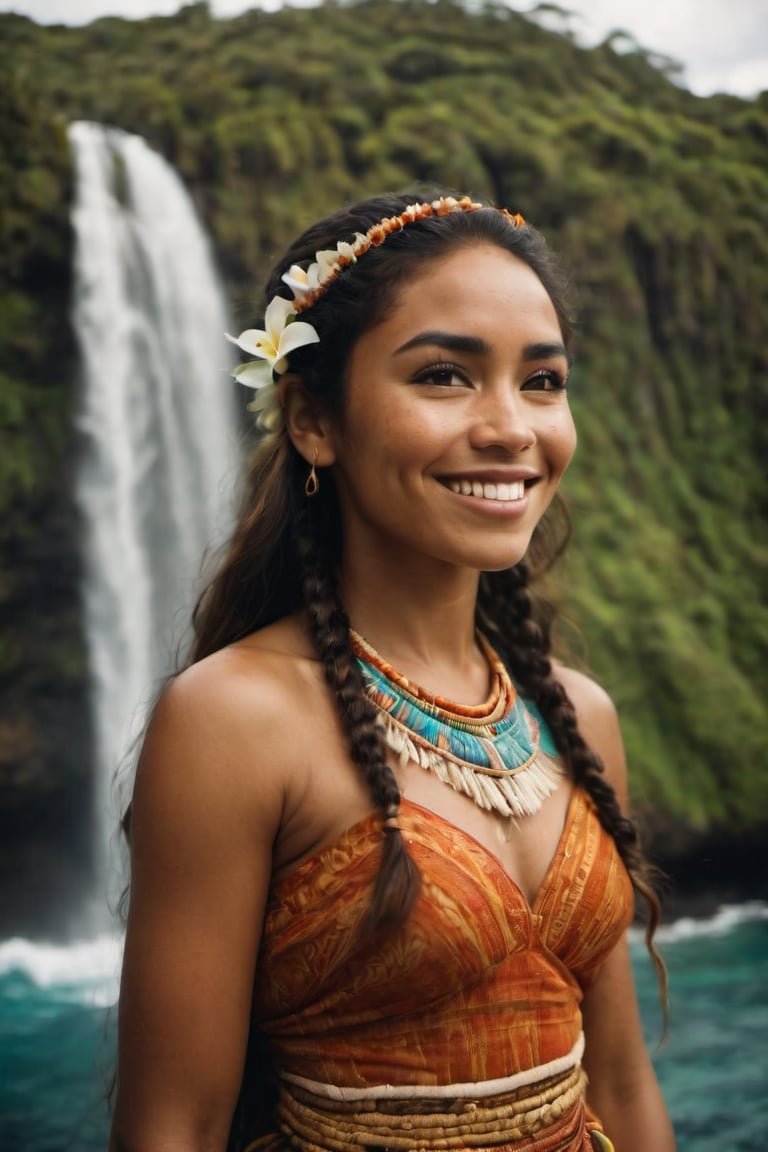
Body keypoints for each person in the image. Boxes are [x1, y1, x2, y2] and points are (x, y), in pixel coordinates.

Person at [109, 192, 677, 1152]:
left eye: (543, 381)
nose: (511, 428)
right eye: (447, 375)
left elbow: (618, 1080)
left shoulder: (578, 714)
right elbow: (176, 1124)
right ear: (313, 422)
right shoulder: (235, 721)